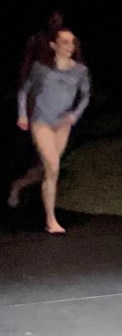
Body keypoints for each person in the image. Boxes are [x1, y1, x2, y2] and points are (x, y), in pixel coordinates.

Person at [12, 27, 90, 233]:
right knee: (53, 166)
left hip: (62, 125)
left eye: (72, 42)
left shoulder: (80, 71)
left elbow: (85, 96)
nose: (70, 46)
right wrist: (22, 114)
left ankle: (17, 186)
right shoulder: (41, 68)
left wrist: (74, 115)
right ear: (53, 45)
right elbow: (24, 91)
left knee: (47, 170)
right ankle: (51, 220)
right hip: (41, 122)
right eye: (64, 42)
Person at [8, 10, 66, 210]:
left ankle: (31, 194)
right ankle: (18, 188)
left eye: (58, 21)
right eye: (52, 20)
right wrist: (23, 110)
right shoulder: (37, 41)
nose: (55, 24)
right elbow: (25, 71)